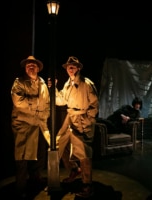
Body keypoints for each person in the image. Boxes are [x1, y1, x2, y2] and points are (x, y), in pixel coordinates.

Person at [52, 56, 99, 198]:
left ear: (78, 68)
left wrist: (88, 120)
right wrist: (53, 88)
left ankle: (87, 185)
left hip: (82, 119)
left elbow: (94, 104)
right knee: (59, 143)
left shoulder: (86, 83)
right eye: (68, 67)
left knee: (84, 153)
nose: (70, 69)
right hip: (70, 117)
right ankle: (74, 170)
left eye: (73, 66)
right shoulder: (68, 84)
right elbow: (61, 101)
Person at [11, 55, 51, 199]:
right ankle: (20, 187)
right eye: (28, 65)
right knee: (22, 157)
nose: (31, 67)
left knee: (39, 154)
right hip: (23, 125)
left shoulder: (42, 83)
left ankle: (36, 179)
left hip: (39, 125)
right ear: (25, 68)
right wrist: (36, 105)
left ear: (38, 68)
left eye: (33, 65)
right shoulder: (19, 83)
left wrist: (43, 117)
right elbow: (19, 102)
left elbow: (46, 104)